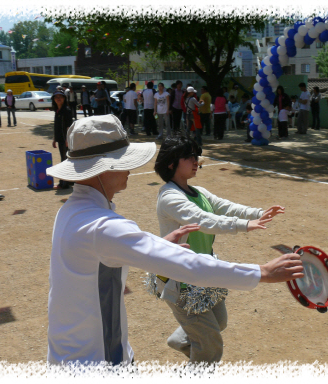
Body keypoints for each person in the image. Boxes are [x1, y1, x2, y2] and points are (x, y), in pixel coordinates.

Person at [45, 114, 304, 366]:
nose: (130, 168)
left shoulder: (71, 211)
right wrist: (262, 272)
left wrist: (161, 244)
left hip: (79, 353)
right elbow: (187, 264)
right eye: (123, 161)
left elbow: (111, 256)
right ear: (105, 167)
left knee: (215, 326)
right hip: (97, 362)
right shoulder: (103, 225)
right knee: (210, 343)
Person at [151, 135, 285, 364]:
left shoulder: (198, 191)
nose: (196, 160)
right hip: (182, 280)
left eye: (196, 155)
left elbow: (224, 206)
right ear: (172, 163)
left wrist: (257, 213)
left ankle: (180, 341)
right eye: (189, 156)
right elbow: (203, 220)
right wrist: (243, 225)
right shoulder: (170, 197)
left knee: (219, 322)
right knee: (210, 346)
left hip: (206, 272)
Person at [51, 90, 73, 189]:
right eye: (56, 97)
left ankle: (64, 183)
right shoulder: (57, 110)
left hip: (65, 140)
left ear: (64, 98)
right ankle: (70, 180)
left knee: (64, 160)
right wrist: (54, 138)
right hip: (60, 139)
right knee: (66, 160)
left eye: (60, 97)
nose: (58, 99)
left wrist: (68, 140)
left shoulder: (67, 110)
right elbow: (57, 126)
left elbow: (69, 127)